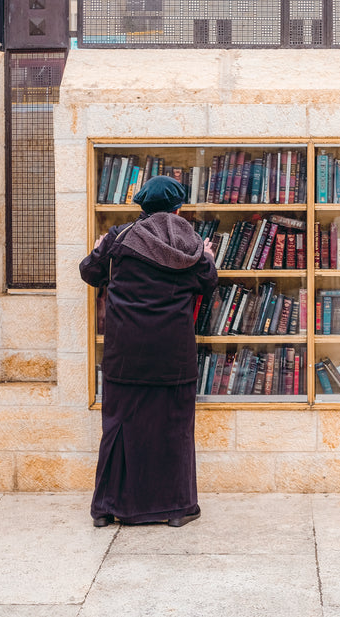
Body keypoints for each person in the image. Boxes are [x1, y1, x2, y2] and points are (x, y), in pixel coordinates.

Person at [80, 175, 218, 528]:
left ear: (141, 206)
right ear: (179, 208)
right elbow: (206, 282)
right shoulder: (192, 242)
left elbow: (89, 272)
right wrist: (209, 258)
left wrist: (99, 247)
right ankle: (176, 509)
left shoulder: (119, 237)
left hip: (125, 353)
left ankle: (106, 509)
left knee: (118, 427)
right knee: (174, 430)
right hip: (173, 354)